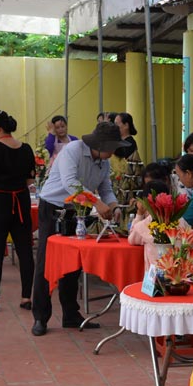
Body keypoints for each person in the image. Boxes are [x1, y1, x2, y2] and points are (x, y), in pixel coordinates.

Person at [30, 121, 121, 335]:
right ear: (100, 144)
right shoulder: (73, 150)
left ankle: (71, 314)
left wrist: (114, 206)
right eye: (112, 147)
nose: (115, 151)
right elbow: (71, 182)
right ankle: (40, 317)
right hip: (53, 207)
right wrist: (97, 204)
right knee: (46, 262)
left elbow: (106, 188)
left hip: (77, 210)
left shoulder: (104, 163)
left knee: (73, 264)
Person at [0, 110, 36, 312]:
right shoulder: (26, 148)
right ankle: (26, 296)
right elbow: (30, 180)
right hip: (20, 200)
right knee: (25, 250)